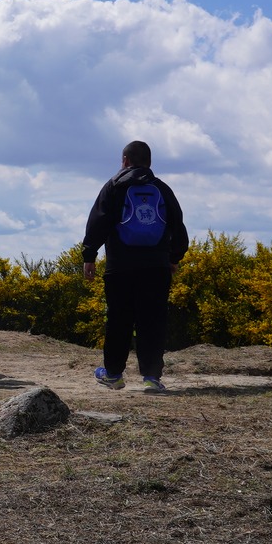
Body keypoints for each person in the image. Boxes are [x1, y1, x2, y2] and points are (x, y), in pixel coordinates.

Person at [81, 139, 189, 393]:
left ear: (125, 161)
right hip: (156, 266)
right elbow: (179, 227)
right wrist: (173, 258)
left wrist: (89, 255)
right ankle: (151, 377)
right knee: (152, 321)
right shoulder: (162, 188)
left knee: (118, 320)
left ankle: (114, 375)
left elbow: (98, 222)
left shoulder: (114, 186)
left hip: (120, 266)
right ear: (149, 162)